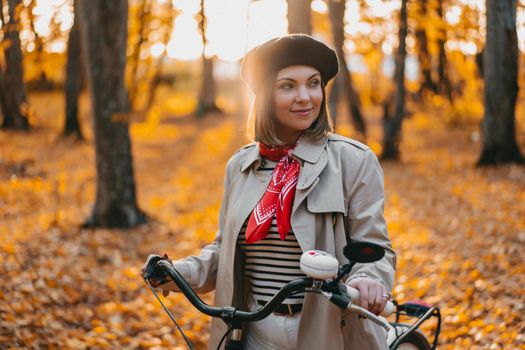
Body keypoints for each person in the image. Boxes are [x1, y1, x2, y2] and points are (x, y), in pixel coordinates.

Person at [143, 34, 396, 350]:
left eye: (313, 83)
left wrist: (369, 280)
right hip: (254, 331)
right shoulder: (241, 166)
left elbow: (375, 248)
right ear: (264, 96)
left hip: (329, 328)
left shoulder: (353, 160)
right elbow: (225, 251)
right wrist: (179, 272)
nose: (305, 96)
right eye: (288, 86)